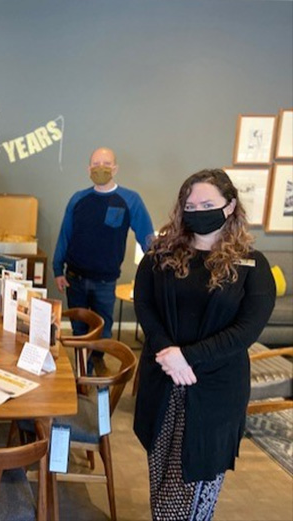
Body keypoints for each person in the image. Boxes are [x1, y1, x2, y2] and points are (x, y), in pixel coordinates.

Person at [133, 169, 275, 520]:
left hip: (215, 395)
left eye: (208, 203)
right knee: (161, 483)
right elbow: (145, 306)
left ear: (229, 207)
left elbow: (247, 330)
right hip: (163, 384)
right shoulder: (160, 255)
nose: (197, 210)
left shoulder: (253, 266)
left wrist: (187, 357)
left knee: (188, 496)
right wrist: (168, 352)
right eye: (190, 204)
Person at [52, 147, 154, 373]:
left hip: (105, 282)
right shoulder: (78, 199)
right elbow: (65, 235)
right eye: (96, 164)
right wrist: (57, 269)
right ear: (88, 168)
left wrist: (160, 265)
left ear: (115, 168)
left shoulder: (130, 200)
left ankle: (96, 361)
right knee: (79, 328)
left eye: (106, 164)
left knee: (103, 329)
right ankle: (82, 370)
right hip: (74, 278)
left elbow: (147, 237)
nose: (101, 168)